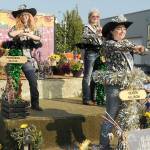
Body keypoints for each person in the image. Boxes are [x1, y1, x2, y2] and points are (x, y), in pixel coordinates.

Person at [93, 15, 145, 149]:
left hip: (128, 85)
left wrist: (142, 49)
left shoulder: (126, 44)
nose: (122, 31)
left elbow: (137, 50)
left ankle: (124, 145)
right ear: (111, 31)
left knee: (126, 116)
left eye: (124, 29)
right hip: (114, 85)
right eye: (119, 28)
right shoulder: (108, 43)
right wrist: (135, 47)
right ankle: (104, 145)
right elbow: (120, 47)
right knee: (111, 115)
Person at [8, 5, 43, 111]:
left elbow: (38, 38)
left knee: (33, 81)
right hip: (15, 58)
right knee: (13, 82)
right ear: (20, 17)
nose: (24, 16)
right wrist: (22, 32)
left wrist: (30, 34)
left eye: (26, 15)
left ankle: (35, 104)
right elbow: (10, 34)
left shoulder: (33, 29)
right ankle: (12, 103)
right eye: (22, 15)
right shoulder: (16, 27)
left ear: (29, 17)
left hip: (27, 59)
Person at [82, 9, 103, 105]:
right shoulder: (87, 27)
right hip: (90, 52)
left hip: (99, 53)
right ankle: (86, 98)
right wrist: (96, 34)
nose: (95, 18)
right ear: (89, 18)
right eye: (93, 16)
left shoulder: (99, 28)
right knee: (88, 76)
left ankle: (93, 97)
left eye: (97, 17)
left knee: (95, 76)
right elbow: (85, 37)